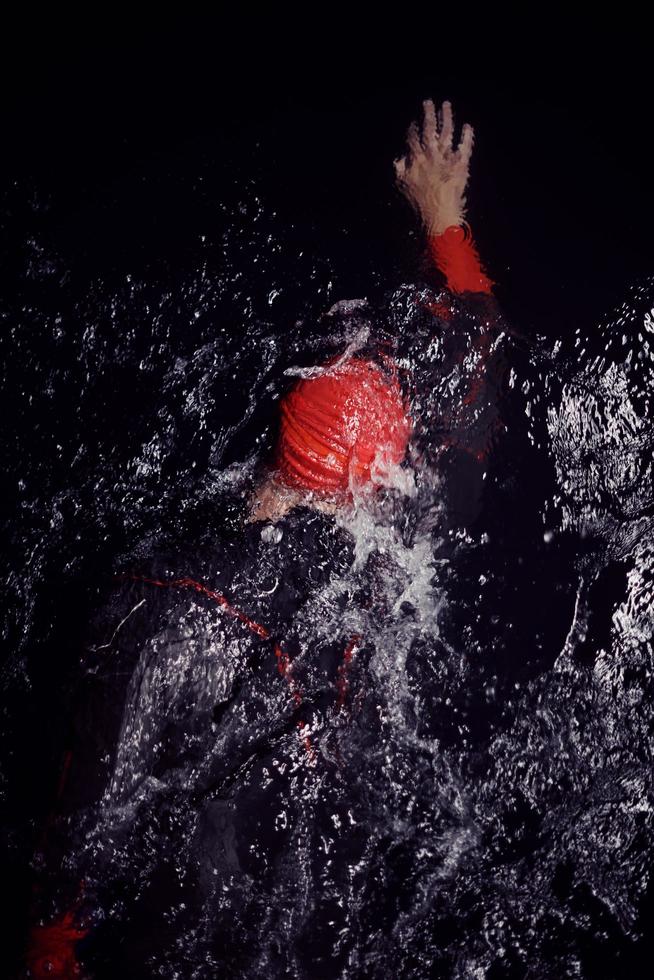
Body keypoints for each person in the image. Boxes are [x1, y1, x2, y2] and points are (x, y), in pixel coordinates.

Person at [24, 99, 540, 979]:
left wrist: (51, 943)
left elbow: (74, 850)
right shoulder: (393, 572)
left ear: (276, 445)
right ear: (383, 479)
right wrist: (446, 221)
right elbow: (483, 369)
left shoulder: (160, 603)